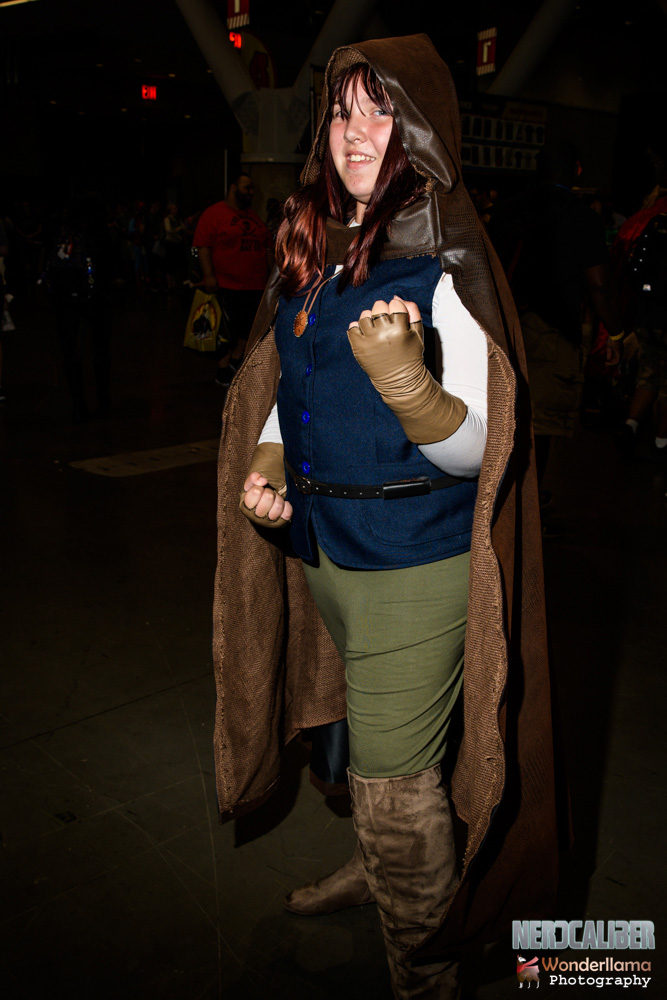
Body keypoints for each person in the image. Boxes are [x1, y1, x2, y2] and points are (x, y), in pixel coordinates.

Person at [213, 36, 563, 999]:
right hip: (325, 556)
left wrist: (410, 386)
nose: (354, 131)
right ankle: (377, 873)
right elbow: (293, 386)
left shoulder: (443, 263)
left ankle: (423, 965)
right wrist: (270, 456)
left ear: (420, 131)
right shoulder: (315, 247)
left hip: (415, 568)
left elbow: (482, 451)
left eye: (380, 110)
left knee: (396, 788)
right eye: (340, 110)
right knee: (375, 751)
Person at [489, 141, 623, 506]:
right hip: (552, 334)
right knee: (539, 429)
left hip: (502, 328)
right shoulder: (582, 217)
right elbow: (599, 284)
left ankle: (495, 505)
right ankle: (527, 512)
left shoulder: (506, 211)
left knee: (499, 421)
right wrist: (615, 332)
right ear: (576, 170)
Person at [192, 173, 271, 386]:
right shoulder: (214, 214)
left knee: (248, 330)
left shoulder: (253, 217)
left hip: (254, 285)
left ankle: (235, 362)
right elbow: (203, 246)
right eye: (247, 188)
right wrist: (209, 276)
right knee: (226, 331)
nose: (251, 192)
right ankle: (223, 368)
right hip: (227, 284)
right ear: (233, 188)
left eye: (252, 188)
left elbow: (265, 247)